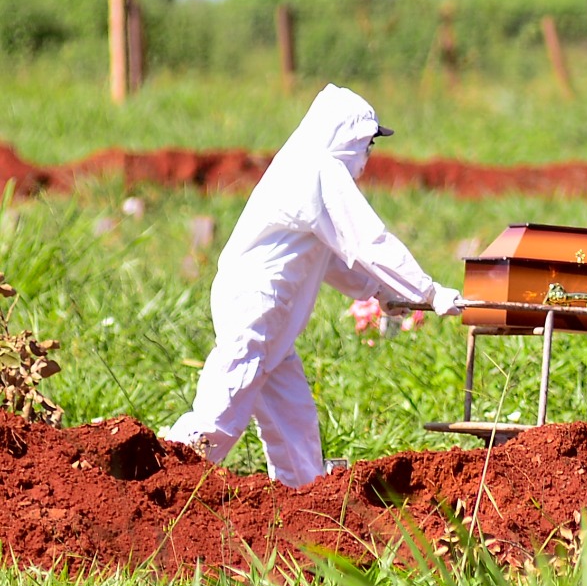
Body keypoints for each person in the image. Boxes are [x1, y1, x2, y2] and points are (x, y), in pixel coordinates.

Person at [162, 83, 463, 487]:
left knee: (294, 423)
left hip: (271, 314)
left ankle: (303, 497)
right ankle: (167, 476)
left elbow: (332, 259)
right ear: (347, 136)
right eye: (368, 145)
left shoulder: (304, 167)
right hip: (257, 306)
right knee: (223, 407)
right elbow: (369, 242)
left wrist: (381, 292)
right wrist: (428, 292)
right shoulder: (319, 170)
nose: (368, 156)